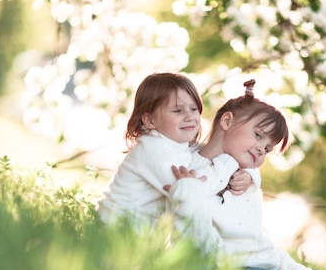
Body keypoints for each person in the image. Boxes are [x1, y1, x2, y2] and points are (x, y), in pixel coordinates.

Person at [169, 79, 326, 270]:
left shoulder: (244, 178)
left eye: (268, 148)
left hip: (259, 265)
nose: (261, 149)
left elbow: (259, 243)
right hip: (230, 268)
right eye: (258, 135)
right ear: (227, 121)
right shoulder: (190, 167)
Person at [97, 72, 251, 230]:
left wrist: (247, 176)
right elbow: (192, 192)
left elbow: (208, 157)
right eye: (178, 111)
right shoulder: (153, 149)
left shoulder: (180, 145)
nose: (189, 116)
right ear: (150, 120)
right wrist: (228, 165)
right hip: (114, 230)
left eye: (193, 109)